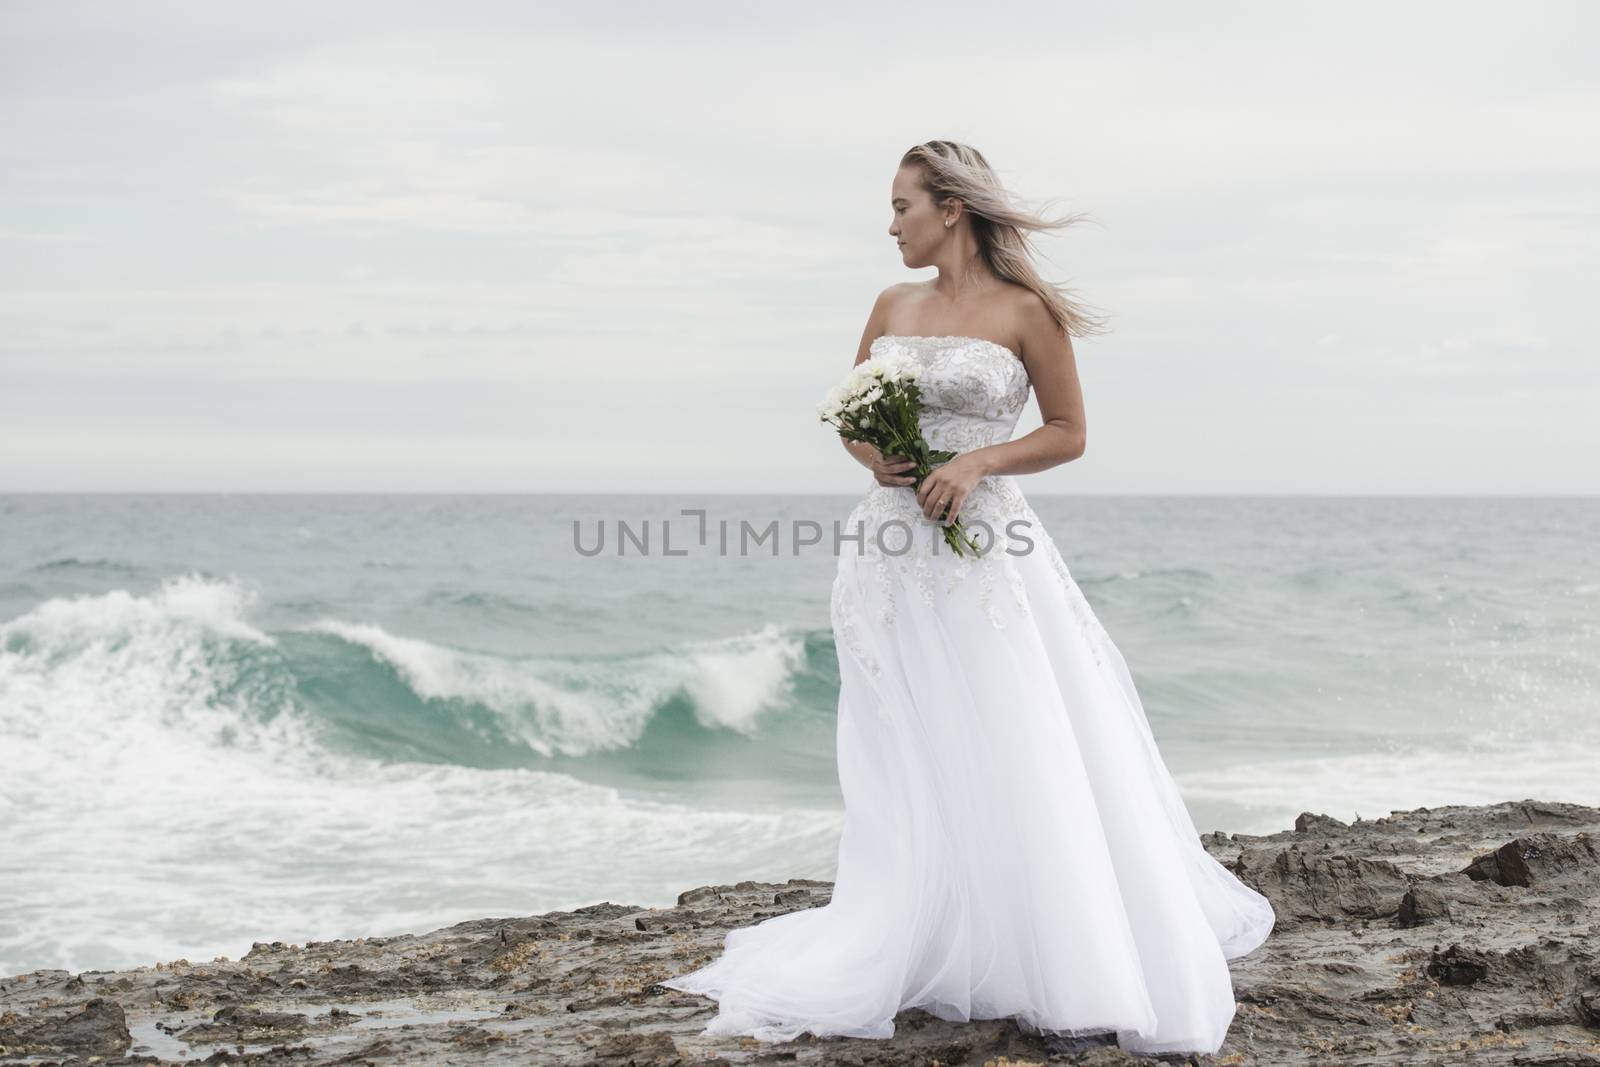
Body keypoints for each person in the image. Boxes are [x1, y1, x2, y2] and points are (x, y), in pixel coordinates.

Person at [659, 139, 1275, 1056]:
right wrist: (881, 458)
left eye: (902, 204)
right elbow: (850, 422)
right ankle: (926, 929)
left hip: (986, 549)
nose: (892, 223)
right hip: (887, 549)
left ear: (951, 206)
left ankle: (1049, 948)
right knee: (908, 742)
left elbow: (1068, 432)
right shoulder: (890, 304)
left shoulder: (1027, 311)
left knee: (1009, 725)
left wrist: (979, 458)